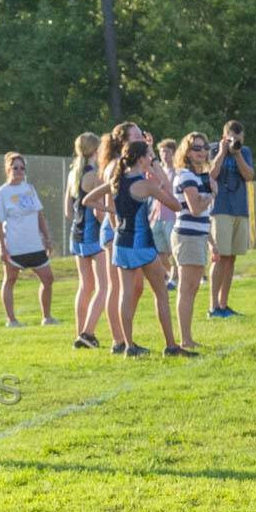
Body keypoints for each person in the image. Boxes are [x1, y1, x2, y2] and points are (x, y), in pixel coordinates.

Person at [85, 141, 196, 358]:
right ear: (141, 159)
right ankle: (171, 346)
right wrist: (161, 183)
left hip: (121, 244)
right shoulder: (145, 185)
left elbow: (89, 200)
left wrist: (112, 210)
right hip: (142, 245)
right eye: (150, 156)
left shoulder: (115, 181)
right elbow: (176, 205)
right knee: (161, 294)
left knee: (125, 294)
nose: (152, 160)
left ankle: (129, 346)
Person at [0, 152, 57, 327]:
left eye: (22, 168)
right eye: (15, 168)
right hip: (14, 246)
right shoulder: (2, 193)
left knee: (48, 279)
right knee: (10, 280)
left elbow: (39, 215)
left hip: (34, 245)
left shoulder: (30, 189)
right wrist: (2, 248)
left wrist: (47, 238)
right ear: (7, 169)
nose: (19, 171)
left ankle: (47, 317)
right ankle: (11, 320)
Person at [98, 122, 145, 353]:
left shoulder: (131, 162)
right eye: (137, 134)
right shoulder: (116, 165)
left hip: (129, 230)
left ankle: (125, 335)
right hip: (116, 231)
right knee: (116, 287)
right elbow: (109, 204)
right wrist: (119, 228)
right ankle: (119, 340)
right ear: (123, 140)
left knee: (136, 287)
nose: (142, 136)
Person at [171, 132, 219, 349]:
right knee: (187, 289)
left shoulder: (199, 176)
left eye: (204, 148)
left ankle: (187, 338)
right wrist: (212, 195)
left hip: (196, 236)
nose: (202, 152)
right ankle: (185, 339)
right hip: (187, 237)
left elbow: (203, 215)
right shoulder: (186, 176)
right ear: (187, 152)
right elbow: (196, 209)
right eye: (196, 148)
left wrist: (212, 242)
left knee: (191, 289)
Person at [208, 119, 255, 317]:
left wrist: (237, 155)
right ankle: (213, 307)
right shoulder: (214, 150)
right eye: (231, 137)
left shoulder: (244, 152)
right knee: (220, 257)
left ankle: (224, 304)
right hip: (221, 209)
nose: (235, 141)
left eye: (238, 138)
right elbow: (212, 174)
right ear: (224, 137)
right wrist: (222, 152)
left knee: (231, 258)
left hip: (239, 210)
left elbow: (249, 176)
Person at [65, 132, 107, 349]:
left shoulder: (74, 173)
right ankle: (88, 333)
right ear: (95, 149)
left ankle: (79, 333)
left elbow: (68, 210)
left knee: (85, 286)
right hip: (93, 235)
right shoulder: (94, 174)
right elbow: (98, 209)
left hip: (77, 233)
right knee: (104, 287)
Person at [151, 138, 179, 290]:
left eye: (167, 152)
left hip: (172, 216)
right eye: (162, 152)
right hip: (158, 216)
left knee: (173, 250)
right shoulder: (159, 169)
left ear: (174, 153)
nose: (164, 155)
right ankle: (171, 275)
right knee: (160, 251)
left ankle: (174, 279)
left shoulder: (178, 170)